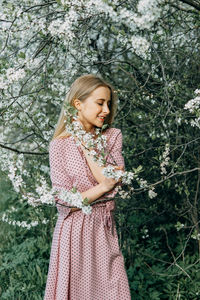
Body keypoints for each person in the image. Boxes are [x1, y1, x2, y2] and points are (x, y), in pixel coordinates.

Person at [44, 74, 131, 299]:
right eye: (100, 103)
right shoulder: (59, 146)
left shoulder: (112, 137)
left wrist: (86, 145)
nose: (106, 110)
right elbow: (64, 201)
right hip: (73, 233)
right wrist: (103, 189)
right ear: (78, 104)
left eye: (109, 104)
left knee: (114, 291)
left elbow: (113, 181)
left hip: (103, 228)